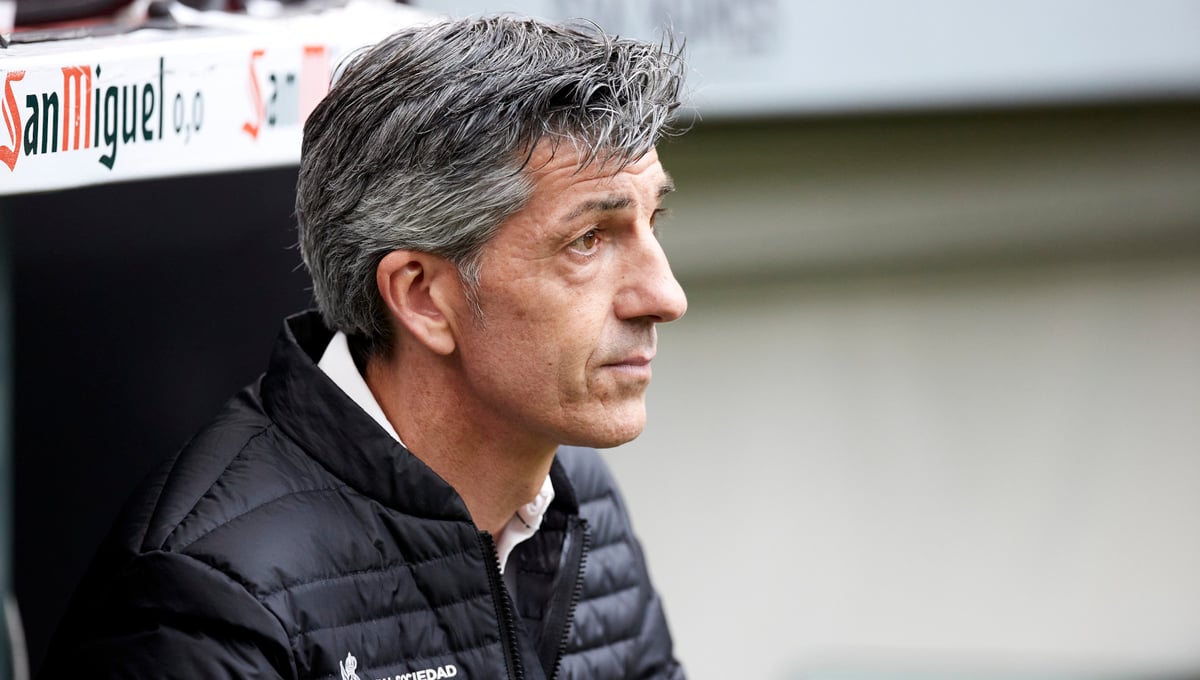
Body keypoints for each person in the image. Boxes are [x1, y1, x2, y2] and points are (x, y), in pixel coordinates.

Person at [41, 14, 689, 680]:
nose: (666, 296)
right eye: (588, 241)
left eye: (653, 220)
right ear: (422, 296)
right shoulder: (209, 597)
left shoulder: (568, 487)